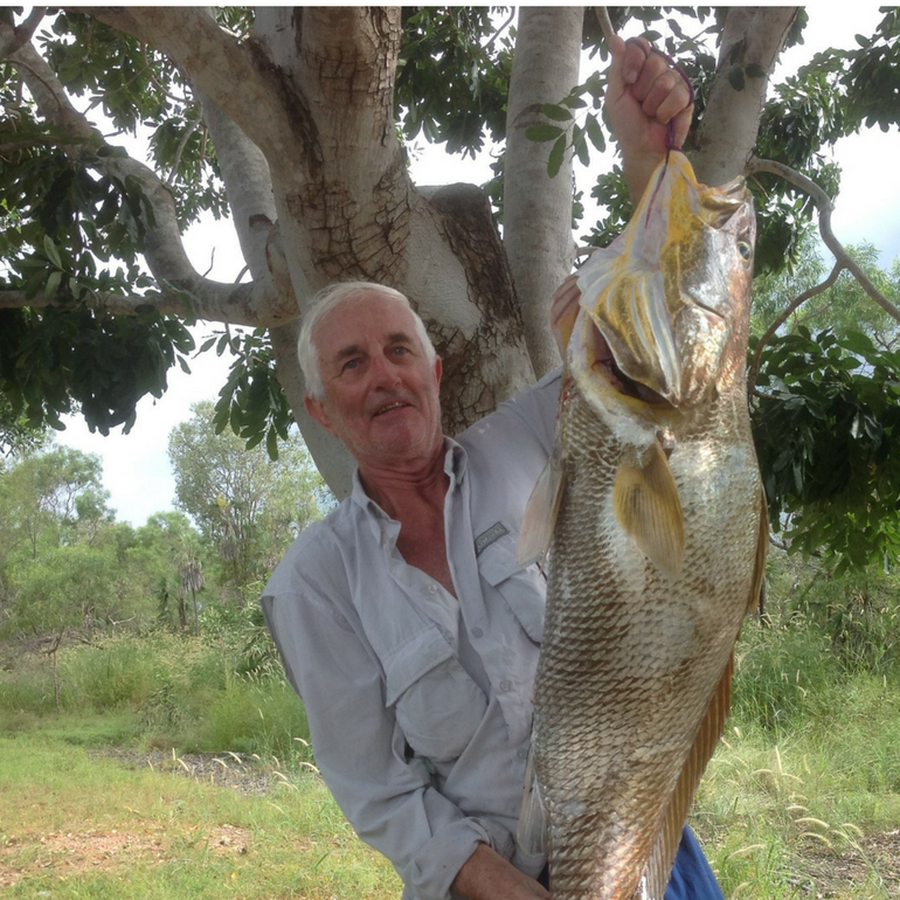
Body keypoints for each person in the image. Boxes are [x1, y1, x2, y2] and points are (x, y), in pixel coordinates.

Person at [261, 36, 722, 900]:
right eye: (352, 363)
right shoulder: (314, 585)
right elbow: (385, 798)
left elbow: (652, 358)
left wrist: (645, 157)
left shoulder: (527, 438)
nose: (385, 374)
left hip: (644, 846)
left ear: (433, 372)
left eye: (400, 349)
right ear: (321, 409)